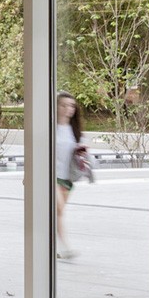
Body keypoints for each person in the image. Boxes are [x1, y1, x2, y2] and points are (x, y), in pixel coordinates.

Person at [53, 92, 92, 260]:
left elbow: (83, 156)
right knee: (59, 209)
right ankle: (64, 247)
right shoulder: (50, 127)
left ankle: (52, 246)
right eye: (63, 105)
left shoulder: (75, 132)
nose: (67, 109)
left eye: (71, 106)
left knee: (57, 214)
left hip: (67, 179)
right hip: (50, 177)